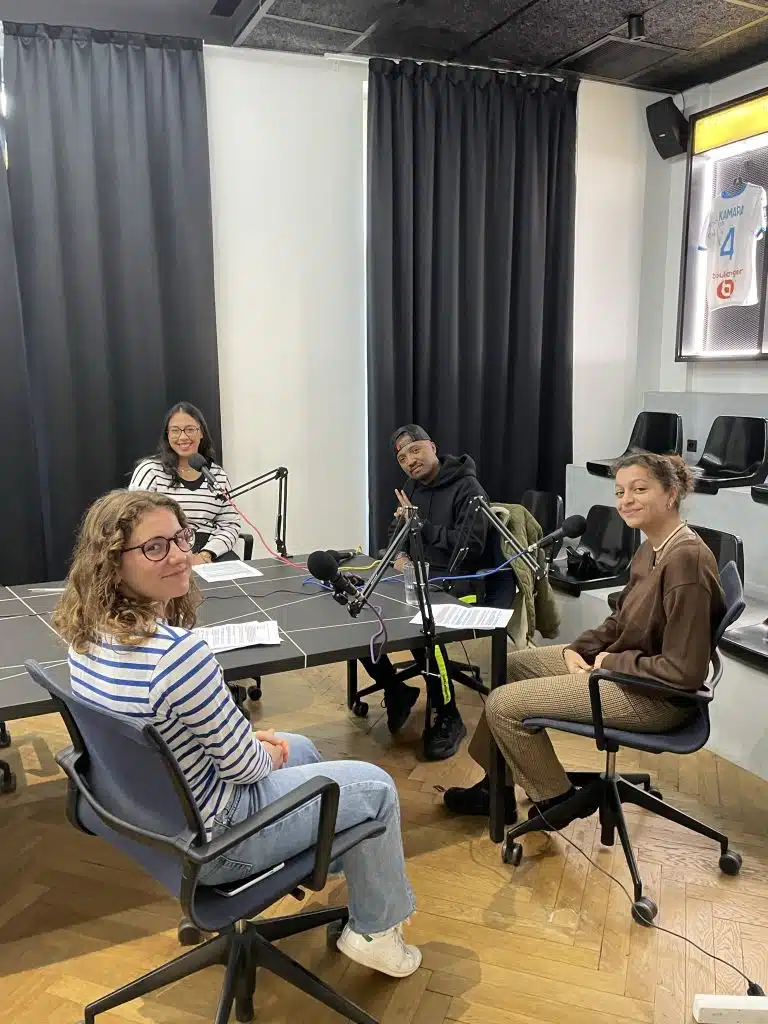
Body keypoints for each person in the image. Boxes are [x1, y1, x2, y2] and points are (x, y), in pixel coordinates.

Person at [52, 490, 421, 978]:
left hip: (152, 821)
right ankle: (376, 933)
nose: (179, 555)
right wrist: (260, 750)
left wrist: (255, 746)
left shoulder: (85, 636)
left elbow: (192, 743)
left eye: (181, 538)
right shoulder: (177, 656)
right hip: (218, 842)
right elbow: (244, 769)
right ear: (113, 564)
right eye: (154, 547)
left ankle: (334, 852)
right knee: (377, 788)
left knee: (303, 747)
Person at [443, 451, 725, 827]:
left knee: (502, 705)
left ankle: (557, 800)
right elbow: (620, 619)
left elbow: (684, 672)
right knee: (508, 665)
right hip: (629, 670)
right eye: (620, 492)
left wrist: (610, 662)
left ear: (671, 494)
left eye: (639, 489)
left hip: (657, 697)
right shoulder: (651, 547)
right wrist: (580, 649)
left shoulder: (687, 562)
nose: (626, 500)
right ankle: (496, 786)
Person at [361, 424, 489, 762]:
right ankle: (396, 690)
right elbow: (397, 534)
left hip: (458, 583)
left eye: (415, 451)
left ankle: (449, 714)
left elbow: (471, 548)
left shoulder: (468, 488)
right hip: (418, 579)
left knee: (422, 630)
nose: (410, 461)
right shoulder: (412, 487)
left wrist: (420, 527)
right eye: (403, 458)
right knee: (359, 609)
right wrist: (400, 556)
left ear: (432, 447)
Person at [129, 402, 241, 564]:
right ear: (167, 435)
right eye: (175, 430)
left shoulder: (217, 475)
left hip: (209, 550)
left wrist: (206, 554)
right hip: (165, 547)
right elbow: (135, 519)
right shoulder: (150, 470)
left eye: (190, 429)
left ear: (201, 433)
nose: (183, 437)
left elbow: (230, 524)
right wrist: (176, 550)